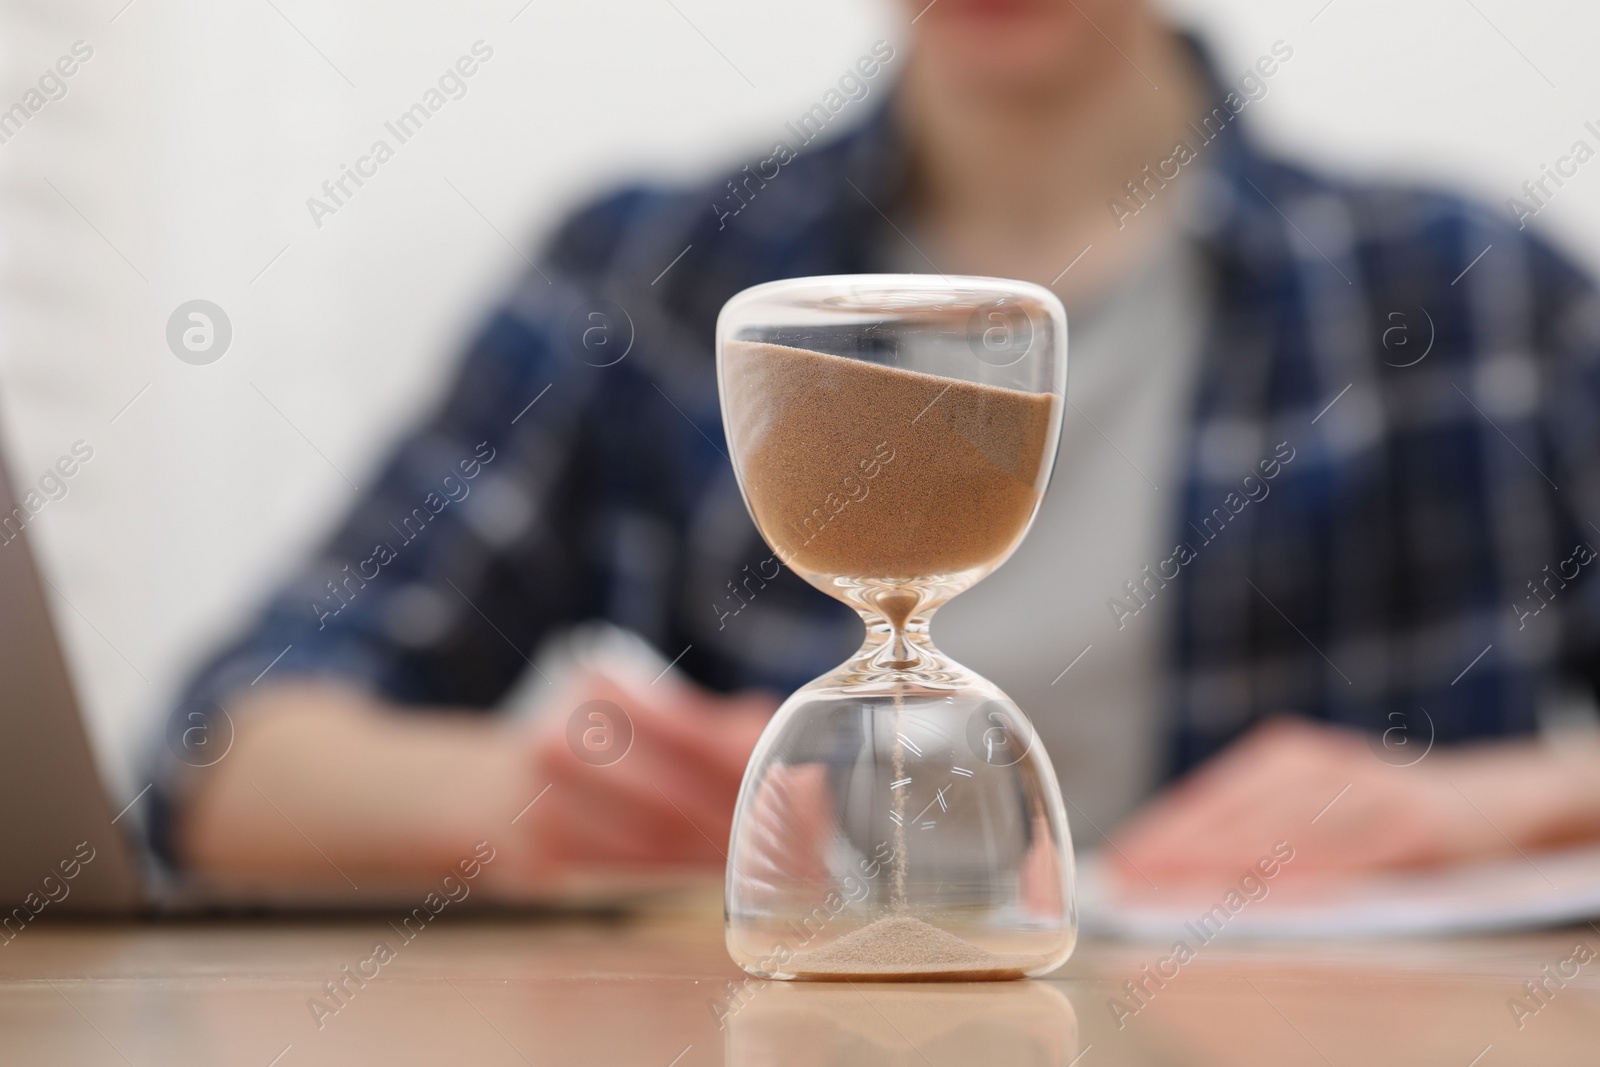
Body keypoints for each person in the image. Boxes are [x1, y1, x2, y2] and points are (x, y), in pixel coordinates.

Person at [152, 0, 1600, 892]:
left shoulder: (1471, 296)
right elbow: (225, 752)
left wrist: (1480, 811)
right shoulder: (647, 279)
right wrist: (522, 801)